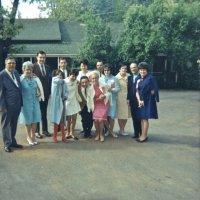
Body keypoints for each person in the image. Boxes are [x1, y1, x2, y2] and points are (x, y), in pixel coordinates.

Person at [0, 57, 23, 152]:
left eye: (13, 63)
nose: (12, 65)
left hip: (17, 104)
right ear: (6, 64)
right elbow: (0, 92)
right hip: (7, 105)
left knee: (13, 124)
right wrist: (2, 106)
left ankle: (12, 141)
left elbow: (18, 87)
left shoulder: (16, 72)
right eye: (9, 63)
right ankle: (7, 144)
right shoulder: (2, 75)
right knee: (6, 125)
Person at [136, 62, 159, 142]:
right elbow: (137, 91)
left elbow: (155, 89)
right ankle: (142, 134)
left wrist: (153, 93)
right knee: (142, 118)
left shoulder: (151, 78)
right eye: (141, 70)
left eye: (144, 70)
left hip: (148, 101)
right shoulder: (138, 79)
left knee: (145, 119)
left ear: (147, 71)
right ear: (139, 71)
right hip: (140, 101)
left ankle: (144, 136)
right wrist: (139, 100)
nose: (142, 72)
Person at [19, 61, 41, 146]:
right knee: (28, 121)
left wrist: (38, 92)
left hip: (35, 102)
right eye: (27, 69)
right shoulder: (21, 79)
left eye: (30, 69)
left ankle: (33, 137)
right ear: (24, 70)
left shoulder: (34, 79)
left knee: (35, 119)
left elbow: (38, 89)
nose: (29, 71)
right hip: (26, 103)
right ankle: (28, 137)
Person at [33, 50, 52, 138]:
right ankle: (37, 131)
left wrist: (50, 92)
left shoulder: (48, 67)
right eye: (40, 57)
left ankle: (45, 130)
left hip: (46, 94)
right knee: (37, 112)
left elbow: (49, 81)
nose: (42, 59)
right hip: (37, 94)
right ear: (37, 58)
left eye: (44, 57)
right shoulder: (33, 67)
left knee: (44, 113)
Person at [99, 64, 120, 138]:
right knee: (104, 116)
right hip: (103, 101)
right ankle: (108, 130)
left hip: (112, 100)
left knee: (111, 117)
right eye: (105, 70)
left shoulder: (114, 79)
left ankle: (111, 131)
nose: (106, 71)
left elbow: (117, 89)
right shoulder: (100, 79)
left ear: (110, 71)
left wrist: (112, 90)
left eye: (108, 70)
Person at [90, 71, 111, 142]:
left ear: (98, 78)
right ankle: (97, 134)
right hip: (95, 104)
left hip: (103, 104)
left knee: (101, 120)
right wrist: (97, 99)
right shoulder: (90, 87)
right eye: (93, 78)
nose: (94, 80)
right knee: (96, 120)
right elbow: (89, 98)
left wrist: (104, 95)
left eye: (96, 78)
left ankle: (101, 134)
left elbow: (108, 94)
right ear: (90, 79)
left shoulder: (103, 85)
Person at [50, 70, 68, 143]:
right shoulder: (55, 81)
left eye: (60, 74)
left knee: (62, 120)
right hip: (56, 103)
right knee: (56, 120)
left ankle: (63, 136)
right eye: (57, 74)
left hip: (62, 102)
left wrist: (65, 96)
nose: (59, 76)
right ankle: (54, 136)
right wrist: (63, 80)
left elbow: (66, 91)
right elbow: (59, 81)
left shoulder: (63, 82)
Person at [64, 69, 81, 140]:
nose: (74, 78)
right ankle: (67, 133)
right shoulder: (64, 81)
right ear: (69, 75)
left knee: (74, 118)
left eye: (75, 76)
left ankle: (72, 133)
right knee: (68, 119)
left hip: (74, 101)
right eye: (72, 76)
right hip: (67, 102)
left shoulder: (76, 81)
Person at [115, 63, 131, 136]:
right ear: (119, 69)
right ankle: (121, 130)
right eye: (122, 69)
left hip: (128, 98)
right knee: (120, 115)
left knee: (126, 114)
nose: (124, 70)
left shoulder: (129, 76)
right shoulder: (116, 78)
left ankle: (122, 129)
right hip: (119, 98)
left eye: (125, 69)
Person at [127, 62, 141, 139]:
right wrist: (128, 98)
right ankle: (136, 133)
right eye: (131, 68)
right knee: (134, 117)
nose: (133, 69)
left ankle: (142, 133)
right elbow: (128, 89)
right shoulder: (129, 78)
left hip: (140, 100)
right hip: (132, 101)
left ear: (137, 68)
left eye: (134, 67)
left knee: (141, 117)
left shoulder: (141, 76)